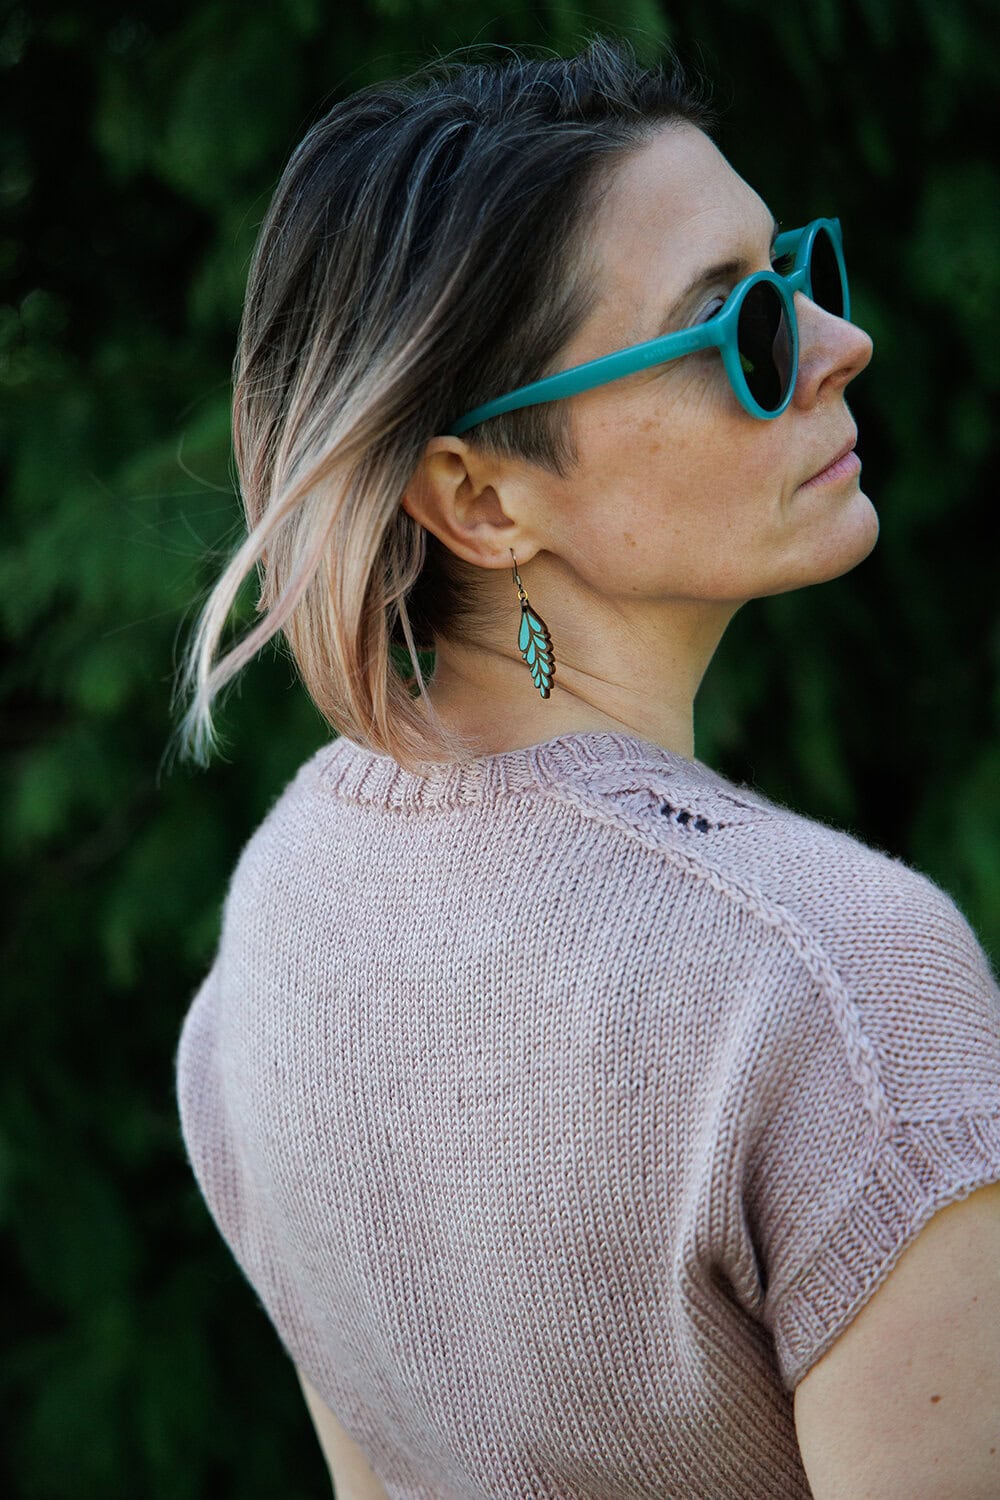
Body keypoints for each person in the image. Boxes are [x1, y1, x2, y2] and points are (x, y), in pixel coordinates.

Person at [172, 35, 1000, 1500]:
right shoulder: (843, 995)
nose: (834, 340)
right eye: (737, 326)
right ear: (480, 499)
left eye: (795, 271)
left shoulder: (281, 910)